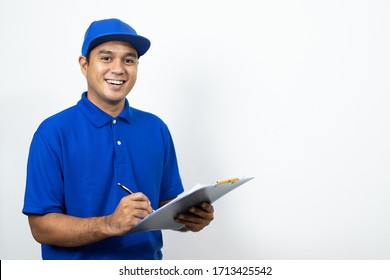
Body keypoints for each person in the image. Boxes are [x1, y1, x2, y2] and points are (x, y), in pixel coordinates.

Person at [22, 18, 214, 260]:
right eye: (106, 58)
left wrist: (191, 218)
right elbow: (40, 227)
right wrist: (109, 224)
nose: (119, 68)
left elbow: (167, 204)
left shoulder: (156, 128)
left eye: (129, 60)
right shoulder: (52, 132)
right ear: (84, 65)